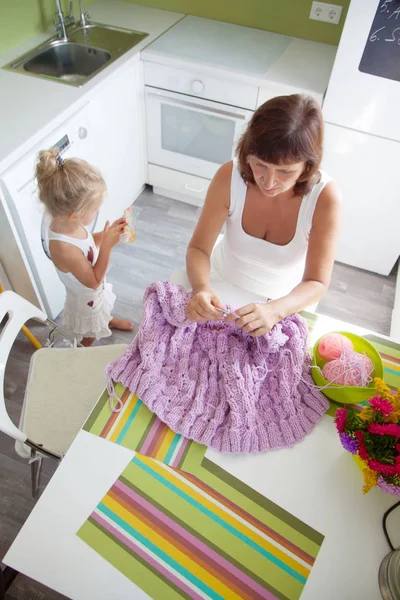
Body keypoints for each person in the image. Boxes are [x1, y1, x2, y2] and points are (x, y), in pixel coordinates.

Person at [175, 94, 341, 337]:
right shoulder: (228, 176)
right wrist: (201, 288)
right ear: (247, 153)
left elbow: (316, 282)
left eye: (285, 171)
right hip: (220, 282)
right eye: (260, 164)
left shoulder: (325, 198)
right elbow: (198, 249)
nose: (269, 182)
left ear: (308, 166)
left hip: (285, 301)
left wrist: (275, 311)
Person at [36, 148, 133, 346]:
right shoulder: (64, 248)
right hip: (85, 301)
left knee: (102, 309)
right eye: (94, 209)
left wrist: (106, 235)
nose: (97, 212)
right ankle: (82, 350)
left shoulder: (68, 222)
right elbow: (94, 281)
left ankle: (107, 321)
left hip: (93, 294)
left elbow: (87, 242)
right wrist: (107, 247)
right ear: (75, 214)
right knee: (88, 331)